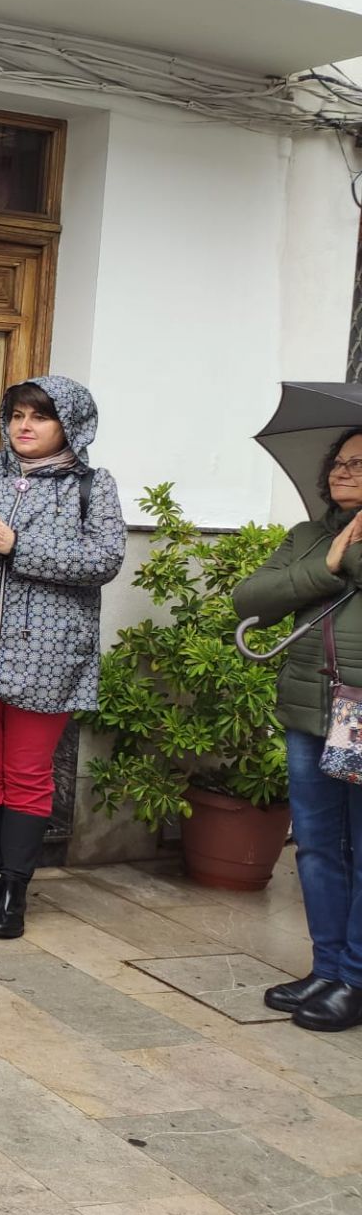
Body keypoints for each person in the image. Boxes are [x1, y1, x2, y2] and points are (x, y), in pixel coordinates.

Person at [0, 376, 127, 940]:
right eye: (16, 415)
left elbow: (103, 559)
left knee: (28, 773)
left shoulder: (92, 486)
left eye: (39, 416)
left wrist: (16, 544)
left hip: (46, 656)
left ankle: (13, 891)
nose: (24, 426)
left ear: (70, 425)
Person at [234, 427, 362, 1033]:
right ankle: (328, 967)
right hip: (311, 711)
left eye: (360, 462)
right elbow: (251, 600)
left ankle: (355, 979)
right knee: (316, 846)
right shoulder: (309, 536)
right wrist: (330, 561)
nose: (343, 470)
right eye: (339, 460)